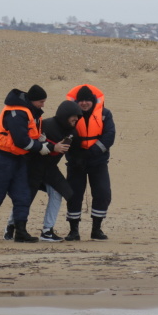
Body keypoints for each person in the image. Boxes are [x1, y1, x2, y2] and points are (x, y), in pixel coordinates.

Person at [0, 84, 63, 242]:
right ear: (32, 101)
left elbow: (30, 136)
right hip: (2, 158)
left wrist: (42, 142)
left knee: (23, 196)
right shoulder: (16, 112)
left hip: (19, 159)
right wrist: (40, 148)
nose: (43, 105)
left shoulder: (32, 113)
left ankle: (21, 232)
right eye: (41, 101)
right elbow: (20, 140)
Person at [3, 100, 82, 242]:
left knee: (59, 191)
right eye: (74, 116)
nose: (76, 119)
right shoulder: (45, 124)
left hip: (50, 169)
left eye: (78, 116)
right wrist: (50, 146)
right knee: (25, 198)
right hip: (32, 167)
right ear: (65, 115)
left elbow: (76, 151)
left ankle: (47, 231)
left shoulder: (73, 132)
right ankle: (11, 226)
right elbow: (28, 143)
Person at [64, 84, 116, 241]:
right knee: (74, 195)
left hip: (98, 161)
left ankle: (96, 229)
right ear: (76, 102)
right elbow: (64, 135)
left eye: (87, 100)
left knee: (102, 193)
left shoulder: (105, 114)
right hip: (75, 162)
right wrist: (77, 155)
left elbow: (109, 136)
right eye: (81, 100)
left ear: (93, 101)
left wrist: (92, 152)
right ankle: (73, 231)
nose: (84, 103)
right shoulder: (69, 115)